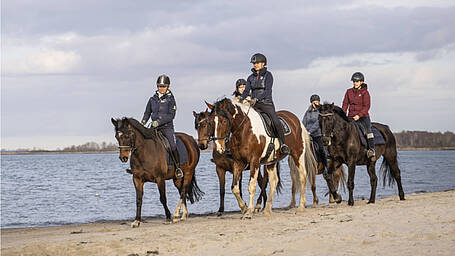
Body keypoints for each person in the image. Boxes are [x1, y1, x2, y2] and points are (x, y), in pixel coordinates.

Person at [239, 53, 289, 155]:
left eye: (257, 63)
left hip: (266, 104)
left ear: (263, 64)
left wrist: (256, 99)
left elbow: (267, 91)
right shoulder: (250, 78)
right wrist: (240, 100)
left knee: (275, 121)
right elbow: (246, 91)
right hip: (254, 105)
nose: (255, 65)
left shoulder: (268, 75)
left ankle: (283, 144)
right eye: (254, 63)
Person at [141, 74, 183, 178]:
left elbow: (171, 115)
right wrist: (143, 122)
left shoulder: (170, 99)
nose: (161, 88)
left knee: (172, 145)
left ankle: (178, 168)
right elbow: (147, 112)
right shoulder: (152, 99)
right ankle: (140, 167)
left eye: (163, 86)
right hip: (153, 127)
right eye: (160, 86)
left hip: (166, 127)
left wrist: (159, 122)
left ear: (167, 87)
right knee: (141, 142)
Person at [342, 72, 375, 159]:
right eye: (354, 81)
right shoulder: (349, 92)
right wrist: (343, 114)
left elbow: (367, 106)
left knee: (368, 131)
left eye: (357, 81)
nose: (355, 83)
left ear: (361, 82)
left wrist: (359, 116)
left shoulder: (365, 93)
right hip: (351, 116)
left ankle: (371, 149)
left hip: (363, 116)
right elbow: (345, 103)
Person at [302, 94, 329, 169]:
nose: (315, 104)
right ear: (311, 103)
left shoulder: (320, 111)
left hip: (317, 134)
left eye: (317, 102)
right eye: (314, 102)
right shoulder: (308, 112)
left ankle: (326, 167)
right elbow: (304, 122)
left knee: (321, 149)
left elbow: (318, 123)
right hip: (307, 134)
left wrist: (310, 131)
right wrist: (303, 130)